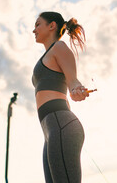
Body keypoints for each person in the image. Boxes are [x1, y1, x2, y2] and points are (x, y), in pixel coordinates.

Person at [32, 11, 90, 183]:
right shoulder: (48, 54)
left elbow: (72, 80)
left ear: (52, 26)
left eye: (37, 24)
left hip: (61, 125)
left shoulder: (59, 47)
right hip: (50, 129)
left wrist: (77, 89)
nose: (33, 30)